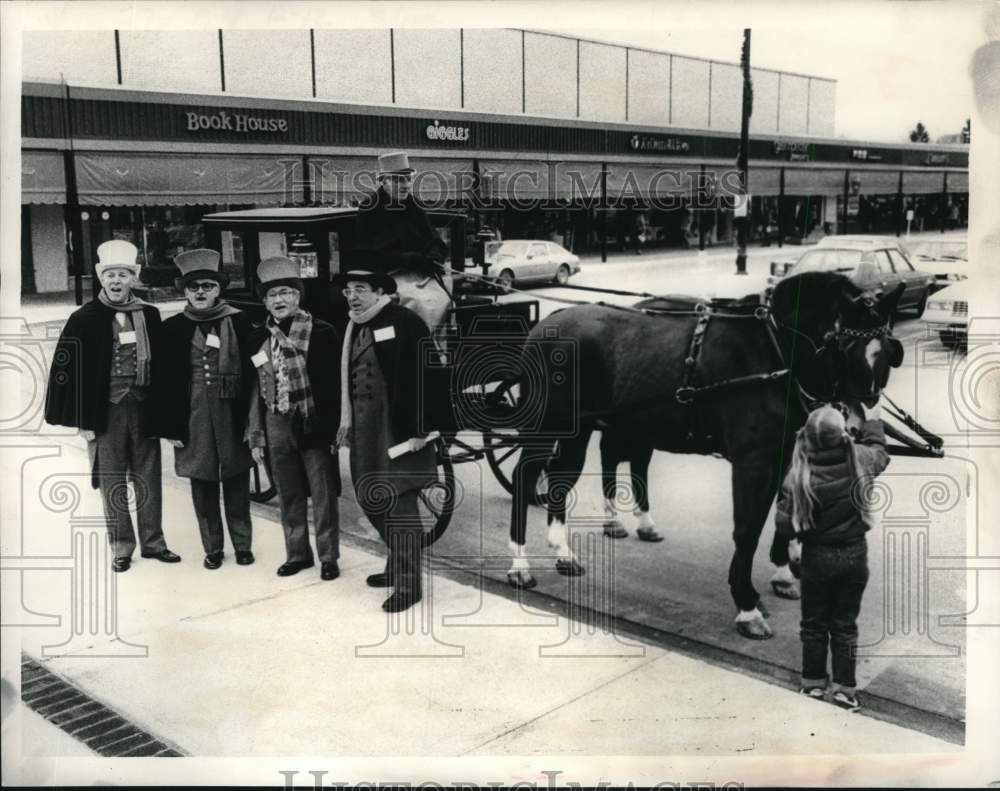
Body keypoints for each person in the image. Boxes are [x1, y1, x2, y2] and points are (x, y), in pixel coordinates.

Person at [44, 240, 179, 573]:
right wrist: (82, 420)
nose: (116, 281)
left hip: (144, 407)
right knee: (112, 480)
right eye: (110, 276)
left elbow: (163, 367)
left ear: (133, 278)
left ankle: (154, 542)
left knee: (148, 476)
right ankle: (121, 546)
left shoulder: (149, 314)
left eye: (123, 275)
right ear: (101, 280)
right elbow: (67, 370)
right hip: (105, 412)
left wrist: (166, 414)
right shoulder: (84, 318)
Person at [774, 403, 890, 713]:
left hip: (817, 558)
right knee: (845, 625)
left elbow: (783, 526)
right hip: (854, 556)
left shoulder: (798, 474)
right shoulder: (861, 460)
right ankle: (845, 691)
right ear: (844, 434)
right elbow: (880, 452)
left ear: (807, 438)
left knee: (813, 623)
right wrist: (873, 421)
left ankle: (813, 684)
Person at [334, 270, 438, 613]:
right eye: (348, 290)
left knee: (399, 507)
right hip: (364, 431)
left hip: (397, 430)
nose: (352, 296)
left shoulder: (406, 322)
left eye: (360, 289)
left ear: (380, 292)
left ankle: (410, 585)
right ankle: (396, 566)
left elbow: (427, 374)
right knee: (370, 499)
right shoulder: (354, 325)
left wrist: (422, 429)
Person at [158, 249, 256, 570]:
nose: (200, 292)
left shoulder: (238, 321)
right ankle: (213, 548)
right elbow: (164, 382)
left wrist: (253, 421)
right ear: (184, 291)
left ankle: (242, 545)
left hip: (231, 413)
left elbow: (256, 372)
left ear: (218, 289)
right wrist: (170, 426)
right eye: (193, 286)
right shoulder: (172, 328)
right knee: (202, 483)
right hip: (193, 417)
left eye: (208, 286)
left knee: (237, 479)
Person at [247, 257, 342, 580]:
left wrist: (329, 429)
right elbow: (255, 390)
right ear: (265, 302)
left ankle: (329, 557)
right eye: (272, 295)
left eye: (286, 292)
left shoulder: (323, 332)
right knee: (288, 492)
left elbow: (333, 386)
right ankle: (298, 554)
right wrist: (257, 434)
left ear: (298, 297)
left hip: (311, 420)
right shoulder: (260, 337)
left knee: (323, 493)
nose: (279, 300)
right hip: (276, 421)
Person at [354, 151, 451, 333]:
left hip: (421, 274)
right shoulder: (369, 209)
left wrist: (434, 255)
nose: (405, 185)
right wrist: (405, 259)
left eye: (407, 179)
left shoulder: (413, 205)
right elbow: (365, 255)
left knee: (445, 299)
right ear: (384, 182)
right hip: (388, 277)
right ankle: (418, 346)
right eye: (398, 180)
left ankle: (435, 349)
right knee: (419, 303)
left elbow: (434, 239)